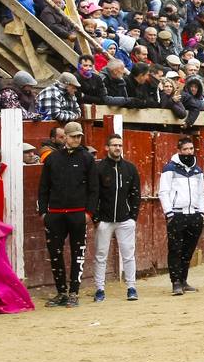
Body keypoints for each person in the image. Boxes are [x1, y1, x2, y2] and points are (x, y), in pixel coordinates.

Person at [37, 121, 94, 307]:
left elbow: (94, 189)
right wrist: (43, 212)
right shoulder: (53, 159)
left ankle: (74, 293)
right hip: (55, 214)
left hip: (78, 214)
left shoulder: (87, 158)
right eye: (74, 136)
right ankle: (61, 292)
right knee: (55, 253)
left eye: (79, 136)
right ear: (65, 137)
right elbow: (43, 187)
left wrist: (89, 212)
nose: (77, 139)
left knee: (78, 253)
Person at [88, 133, 142, 302]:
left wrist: (133, 216)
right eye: (114, 145)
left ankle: (131, 287)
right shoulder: (99, 168)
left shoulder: (130, 168)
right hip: (104, 219)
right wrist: (96, 218)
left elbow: (135, 194)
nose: (117, 148)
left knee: (128, 254)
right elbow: (93, 194)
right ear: (107, 148)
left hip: (125, 219)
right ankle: (99, 289)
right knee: (101, 254)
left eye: (120, 145)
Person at [159, 135, 204, 296]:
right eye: (185, 149)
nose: (188, 152)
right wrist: (169, 213)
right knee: (175, 249)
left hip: (194, 214)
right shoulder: (169, 168)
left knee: (188, 250)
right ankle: (176, 282)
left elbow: (201, 193)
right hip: (177, 214)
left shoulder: (197, 169)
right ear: (179, 151)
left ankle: (183, 280)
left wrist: (201, 212)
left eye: (191, 149)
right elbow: (163, 192)